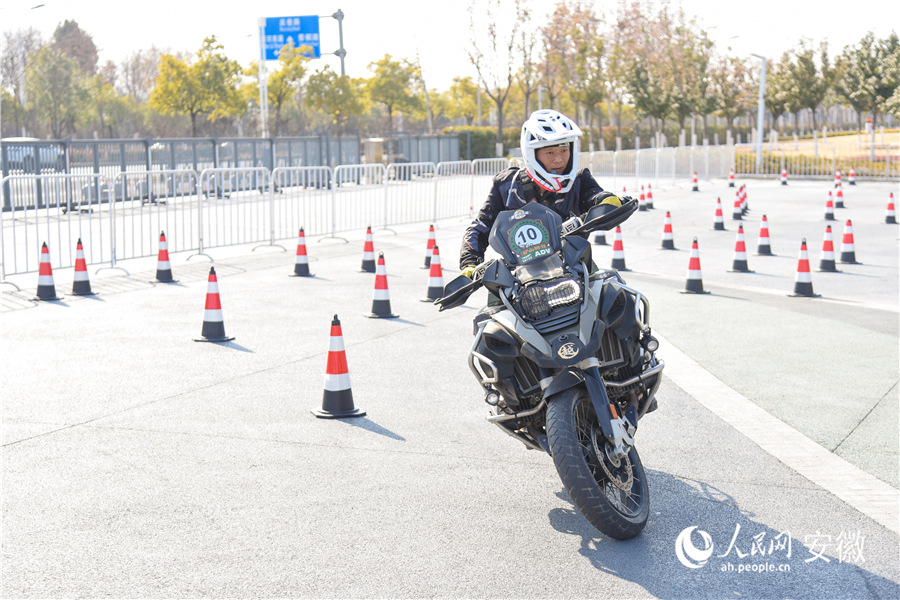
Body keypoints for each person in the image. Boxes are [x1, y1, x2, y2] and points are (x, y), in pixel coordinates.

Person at [459, 109, 622, 279]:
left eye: (564, 151)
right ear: (532, 154)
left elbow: (594, 196)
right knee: (493, 306)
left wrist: (607, 200)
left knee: (616, 292)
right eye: (550, 152)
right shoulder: (508, 185)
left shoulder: (580, 181)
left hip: (575, 272)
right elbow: (481, 226)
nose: (559, 159)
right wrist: (470, 262)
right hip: (520, 279)